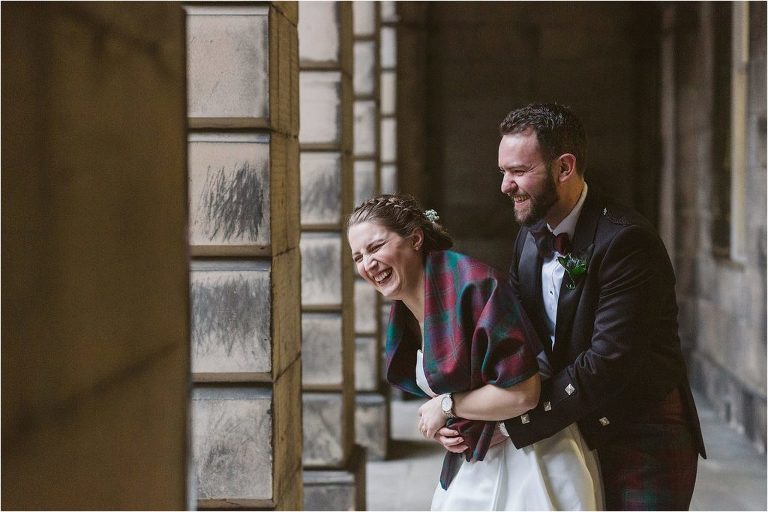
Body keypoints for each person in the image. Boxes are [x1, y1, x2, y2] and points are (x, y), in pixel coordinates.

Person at [437, 103, 705, 510]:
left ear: (564, 167)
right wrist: (470, 414)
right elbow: (517, 340)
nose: (505, 186)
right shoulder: (530, 237)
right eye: (503, 172)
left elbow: (607, 362)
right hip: (573, 425)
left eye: (519, 172)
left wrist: (512, 422)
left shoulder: (627, 242)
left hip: (641, 437)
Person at [347, 193, 603, 510]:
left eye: (375, 247)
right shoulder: (405, 308)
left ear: (414, 238)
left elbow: (524, 394)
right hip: (475, 463)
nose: (367, 264)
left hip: (529, 462)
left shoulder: (475, 286)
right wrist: (447, 424)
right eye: (357, 257)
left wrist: (448, 405)